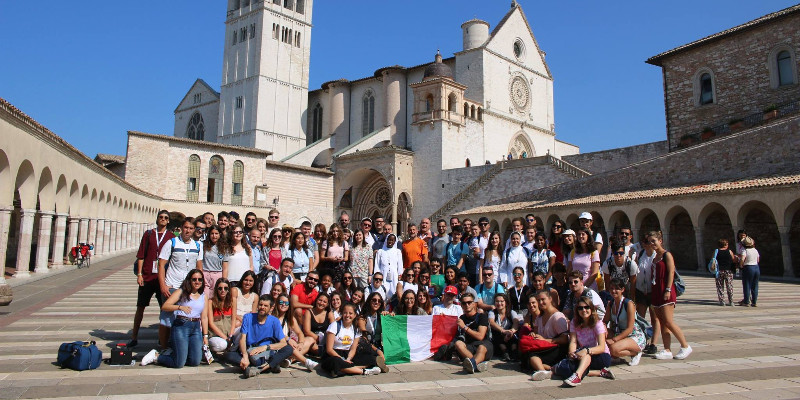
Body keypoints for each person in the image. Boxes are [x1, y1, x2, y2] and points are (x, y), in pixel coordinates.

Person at [141, 269, 207, 369]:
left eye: (200, 279)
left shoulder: (203, 296)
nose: (197, 282)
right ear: (189, 280)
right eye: (194, 279)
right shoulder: (181, 292)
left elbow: (204, 317)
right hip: (182, 326)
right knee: (178, 364)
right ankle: (157, 356)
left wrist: (205, 336)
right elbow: (165, 306)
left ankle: (177, 355)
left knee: (195, 361)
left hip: (196, 327)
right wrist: (180, 307)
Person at [130, 210, 175, 348]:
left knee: (164, 309)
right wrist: (139, 274)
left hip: (163, 279)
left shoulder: (171, 236)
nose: (163, 219)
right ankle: (134, 336)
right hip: (148, 277)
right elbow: (141, 255)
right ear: (157, 219)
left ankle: (163, 339)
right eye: (160, 217)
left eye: (165, 218)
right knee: (140, 307)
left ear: (168, 221)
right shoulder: (149, 234)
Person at [157, 218, 203, 349]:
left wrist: (199, 287)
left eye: (191, 228)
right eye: (186, 227)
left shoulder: (197, 245)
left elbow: (199, 267)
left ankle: (179, 345)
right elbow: (161, 265)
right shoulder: (171, 243)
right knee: (166, 318)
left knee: (185, 317)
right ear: (182, 228)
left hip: (189, 288)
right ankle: (164, 347)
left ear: (194, 230)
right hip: (172, 285)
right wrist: (162, 285)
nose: (188, 231)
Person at [646, 231, 692, 360]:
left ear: (660, 241)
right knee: (662, 322)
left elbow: (671, 272)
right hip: (656, 291)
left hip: (665, 290)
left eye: (654, 241)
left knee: (668, 321)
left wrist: (667, 289)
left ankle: (685, 346)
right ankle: (667, 349)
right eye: (650, 241)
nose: (652, 244)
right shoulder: (655, 257)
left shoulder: (667, 255)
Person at [226, 295, 294, 377]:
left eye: (265, 306)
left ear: (271, 308)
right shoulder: (248, 317)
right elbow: (242, 339)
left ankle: (260, 369)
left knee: (289, 349)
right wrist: (245, 356)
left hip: (267, 352)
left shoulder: (274, 321)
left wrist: (265, 347)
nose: (262, 307)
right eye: (261, 305)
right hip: (251, 352)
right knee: (229, 355)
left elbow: (283, 343)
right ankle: (270, 365)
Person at [561, 296, 615, 387]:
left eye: (586, 307)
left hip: (600, 355)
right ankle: (599, 373)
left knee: (575, 366)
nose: (584, 310)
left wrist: (587, 351)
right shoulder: (574, 322)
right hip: (582, 353)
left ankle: (577, 376)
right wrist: (571, 352)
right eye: (580, 308)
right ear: (577, 310)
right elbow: (573, 341)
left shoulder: (598, 323)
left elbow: (601, 347)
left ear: (591, 309)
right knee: (570, 365)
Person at [321, 302, 386, 377]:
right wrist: (342, 359)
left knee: (371, 358)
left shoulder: (356, 329)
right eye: (345, 313)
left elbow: (353, 349)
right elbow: (329, 349)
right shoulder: (334, 325)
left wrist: (348, 359)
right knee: (335, 362)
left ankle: (343, 370)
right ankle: (363, 371)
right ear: (342, 313)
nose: (347, 315)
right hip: (334, 354)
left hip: (348, 354)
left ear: (355, 315)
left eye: (350, 313)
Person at [527, 291, 569, 380]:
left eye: (543, 299)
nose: (541, 302)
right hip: (544, 347)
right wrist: (534, 334)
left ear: (550, 299)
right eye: (538, 300)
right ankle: (549, 369)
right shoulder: (540, 317)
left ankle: (542, 370)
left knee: (532, 356)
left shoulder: (557, 317)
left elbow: (564, 339)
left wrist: (546, 340)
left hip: (556, 348)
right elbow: (537, 332)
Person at [603, 278, 646, 366]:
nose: (613, 291)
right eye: (611, 288)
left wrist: (614, 340)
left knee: (613, 349)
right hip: (618, 332)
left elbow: (630, 328)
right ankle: (616, 356)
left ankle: (635, 353)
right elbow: (605, 321)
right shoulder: (611, 304)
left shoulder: (629, 304)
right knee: (601, 335)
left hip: (633, 335)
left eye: (617, 288)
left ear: (622, 290)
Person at [272, 293, 318, 371]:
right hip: (277, 344)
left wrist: (300, 343)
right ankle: (306, 362)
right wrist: (288, 339)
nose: (284, 305)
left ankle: (289, 360)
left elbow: (300, 333)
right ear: (277, 303)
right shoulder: (272, 316)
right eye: (281, 302)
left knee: (310, 339)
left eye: (286, 303)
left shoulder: (290, 318)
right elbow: (274, 333)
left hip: (288, 344)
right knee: (290, 345)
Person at [633, 236, 660, 355]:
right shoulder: (641, 254)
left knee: (655, 318)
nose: (646, 244)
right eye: (644, 242)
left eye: (648, 242)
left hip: (653, 291)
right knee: (641, 318)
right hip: (641, 290)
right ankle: (643, 341)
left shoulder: (656, 256)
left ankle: (654, 343)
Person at [454, 293, 492, 373]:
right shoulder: (462, 318)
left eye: (469, 302)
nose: (467, 305)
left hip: (483, 345)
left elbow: (480, 336)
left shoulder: (482, 316)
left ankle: (473, 364)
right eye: (464, 303)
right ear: (461, 305)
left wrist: (465, 327)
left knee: (481, 347)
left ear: (474, 304)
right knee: (458, 344)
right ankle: (476, 363)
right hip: (470, 346)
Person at [206, 278, 239, 353]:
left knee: (242, 331)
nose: (223, 290)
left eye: (225, 288)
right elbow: (211, 323)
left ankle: (230, 350)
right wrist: (225, 338)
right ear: (216, 290)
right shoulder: (211, 302)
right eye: (220, 288)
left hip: (229, 332)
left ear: (228, 290)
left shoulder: (233, 300)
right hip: (215, 335)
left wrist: (231, 334)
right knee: (222, 344)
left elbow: (233, 319)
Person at [488, 293, 519, 361]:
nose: (499, 303)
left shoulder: (511, 312)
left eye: (502, 301)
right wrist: (503, 331)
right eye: (497, 301)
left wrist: (511, 332)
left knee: (514, 335)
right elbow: (491, 322)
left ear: (506, 302)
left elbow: (516, 322)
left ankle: (514, 352)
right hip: (498, 336)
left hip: (509, 335)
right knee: (496, 332)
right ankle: (504, 351)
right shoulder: (492, 312)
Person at [374, 234, 403, 300]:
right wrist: (377, 276)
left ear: (395, 242)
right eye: (389, 240)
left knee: (393, 291)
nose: (390, 242)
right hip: (383, 275)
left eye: (392, 240)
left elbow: (400, 265)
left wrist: (400, 275)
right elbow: (377, 265)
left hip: (394, 276)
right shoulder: (380, 251)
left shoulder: (397, 252)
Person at [201, 225, 227, 297]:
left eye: (216, 234)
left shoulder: (224, 248)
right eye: (212, 233)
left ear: (220, 235)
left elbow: (225, 267)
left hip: (217, 275)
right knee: (205, 296)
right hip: (205, 274)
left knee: (215, 297)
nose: (214, 236)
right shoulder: (203, 245)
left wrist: (224, 281)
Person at [738, 236, 760, 307]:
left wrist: (741, 265)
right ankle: (754, 301)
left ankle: (746, 301)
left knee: (747, 284)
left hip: (748, 267)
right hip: (756, 267)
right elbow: (758, 260)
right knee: (755, 285)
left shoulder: (745, 250)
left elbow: (742, 259)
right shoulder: (755, 250)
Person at [714, 239, 737, 306]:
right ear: (725, 245)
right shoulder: (729, 251)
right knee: (729, 286)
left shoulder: (716, 251)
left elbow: (713, 260)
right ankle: (731, 301)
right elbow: (734, 260)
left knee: (720, 286)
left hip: (719, 271)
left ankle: (722, 301)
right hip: (728, 271)